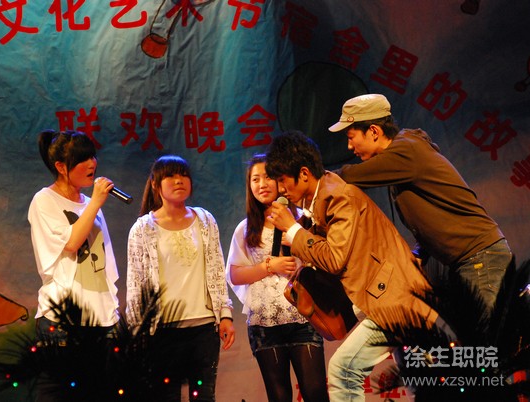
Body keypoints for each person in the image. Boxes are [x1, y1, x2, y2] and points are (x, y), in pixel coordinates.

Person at [265, 131, 440, 402]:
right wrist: (297, 232)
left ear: (303, 174)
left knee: (344, 369)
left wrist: (294, 231)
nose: (280, 190)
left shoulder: (338, 197)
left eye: (282, 180)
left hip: (396, 300)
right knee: (424, 384)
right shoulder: (321, 200)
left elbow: (335, 258)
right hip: (390, 299)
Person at [328, 93, 513, 319]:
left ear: (374, 131)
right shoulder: (403, 156)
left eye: (351, 137)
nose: (349, 146)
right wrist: (418, 253)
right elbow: (435, 215)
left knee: (483, 337)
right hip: (471, 261)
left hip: (481, 259)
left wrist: (318, 181)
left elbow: (351, 175)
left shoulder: (407, 151)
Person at [125, 155, 235, 402]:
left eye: (183, 175)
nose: (178, 181)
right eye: (170, 176)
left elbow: (217, 270)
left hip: (203, 328)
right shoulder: (142, 229)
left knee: (203, 396)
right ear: (156, 184)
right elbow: (135, 285)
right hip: (162, 332)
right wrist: (137, 331)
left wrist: (225, 315)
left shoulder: (205, 220)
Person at [226, 154, 330, 402]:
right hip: (265, 322)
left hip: (303, 316)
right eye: (255, 179)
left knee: (315, 392)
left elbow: (327, 258)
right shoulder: (246, 228)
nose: (262, 184)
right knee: (279, 396)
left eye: (268, 177)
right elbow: (235, 274)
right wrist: (269, 266)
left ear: (280, 181)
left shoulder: (303, 219)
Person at [28, 129, 120, 400]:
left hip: (102, 317)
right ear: (61, 167)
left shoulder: (91, 204)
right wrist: (97, 202)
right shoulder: (44, 200)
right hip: (63, 319)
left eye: (92, 156)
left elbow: (104, 259)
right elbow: (71, 243)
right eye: (82, 159)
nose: (92, 164)